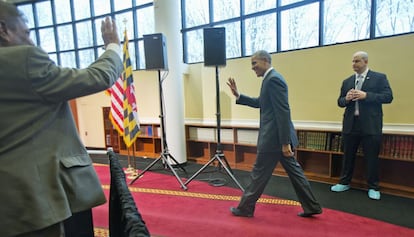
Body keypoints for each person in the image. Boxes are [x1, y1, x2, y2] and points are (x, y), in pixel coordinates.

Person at [0, 2, 123, 237]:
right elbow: (97, 77)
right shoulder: (23, 60)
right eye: (26, 33)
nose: (31, 43)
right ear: (3, 29)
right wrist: (112, 47)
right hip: (39, 201)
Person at [227, 50, 322, 218]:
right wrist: (239, 96)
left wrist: (285, 143)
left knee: (259, 174)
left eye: (254, 63)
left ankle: (245, 208)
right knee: (295, 173)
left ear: (265, 60)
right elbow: (260, 103)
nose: (252, 68)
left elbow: (283, 112)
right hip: (277, 139)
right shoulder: (270, 79)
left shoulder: (273, 80)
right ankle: (312, 206)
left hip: (274, 140)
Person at [331, 51, 393, 200]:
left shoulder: (379, 78)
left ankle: (373, 187)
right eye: (352, 61)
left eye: (357, 61)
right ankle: (344, 182)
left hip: (371, 125)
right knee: (348, 156)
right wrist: (346, 99)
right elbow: (339, 102)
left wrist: (367, 95)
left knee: (371, 157)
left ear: (365, 62)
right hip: (351, 124)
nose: (354, 64)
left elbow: (388, 97)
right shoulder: (347, 81)